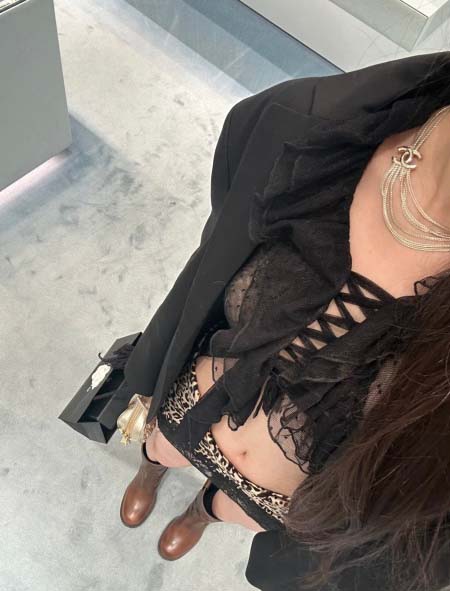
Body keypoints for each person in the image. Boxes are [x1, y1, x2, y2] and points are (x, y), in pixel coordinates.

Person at [114, 50, 450, 590]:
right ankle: (150, 470)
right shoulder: (321, 126)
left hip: (276, 496)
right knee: (159, 445)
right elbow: (214, 256)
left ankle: (201, 511)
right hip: (189, 402)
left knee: (229, 509)